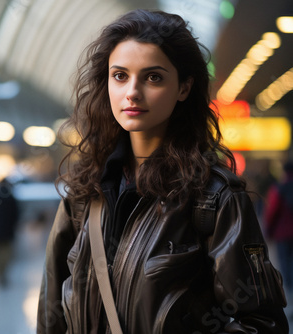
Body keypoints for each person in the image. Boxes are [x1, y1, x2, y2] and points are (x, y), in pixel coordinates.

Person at [37, 9, 288, 334]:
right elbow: (51, 313)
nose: (133, 92)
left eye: (153, 77)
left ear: (184, 88)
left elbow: (263, 322)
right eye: (120, 75)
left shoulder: (213, 199)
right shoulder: (85, 190)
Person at [264, 162, 293, 294]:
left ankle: (289, 288)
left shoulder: (279, 188)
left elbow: (271, 212)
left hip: (282, 233)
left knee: (285, 261)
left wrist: (268, 231)